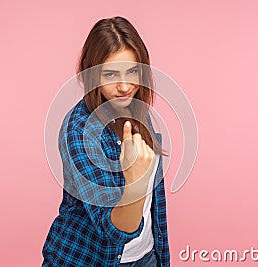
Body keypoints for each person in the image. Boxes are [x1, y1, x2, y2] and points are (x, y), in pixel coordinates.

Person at [42, 16, 170, 267]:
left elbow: (152, 207)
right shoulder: (79, 129)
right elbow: (115, 231)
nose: (125, 86)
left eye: (132, 71)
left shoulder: (136, 110)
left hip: (146, 257)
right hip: (88, 259)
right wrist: (135, 182)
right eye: (111, 74)